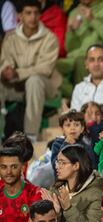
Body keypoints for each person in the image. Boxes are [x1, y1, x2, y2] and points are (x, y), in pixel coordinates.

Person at [0, 0, 60, 142]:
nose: (32, 17)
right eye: (28, 13)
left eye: (36, 13)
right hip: (17, 87)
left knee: (34, 80)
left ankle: (31, 136)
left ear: (40, 15)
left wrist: (18, 73)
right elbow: (5, 60)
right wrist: (5, 70)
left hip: (44, 86)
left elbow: (45, 68)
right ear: (20, 16)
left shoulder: (49, 38)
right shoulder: (11, 38)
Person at [57, 0, 103, 87]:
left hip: (100, 57)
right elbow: (69, 49)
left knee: (82, 62)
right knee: (49, 67)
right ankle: (74, 95)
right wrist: (71, 32)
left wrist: (92, 20)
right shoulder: (74, 13)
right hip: (75, 57)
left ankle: (83, 97)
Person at [48, 144, 103, 222]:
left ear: (76, 166)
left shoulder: (95, 193)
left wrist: (68, 209)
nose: (57, 167)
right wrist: (56, 214)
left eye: (62, 163)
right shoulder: (56, 188)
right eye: (57, 162)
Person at [0, 147, 41, 222]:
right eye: (4, 167)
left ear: (22, 167)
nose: (8, 172)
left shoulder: (34, 193)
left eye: (14, 167)